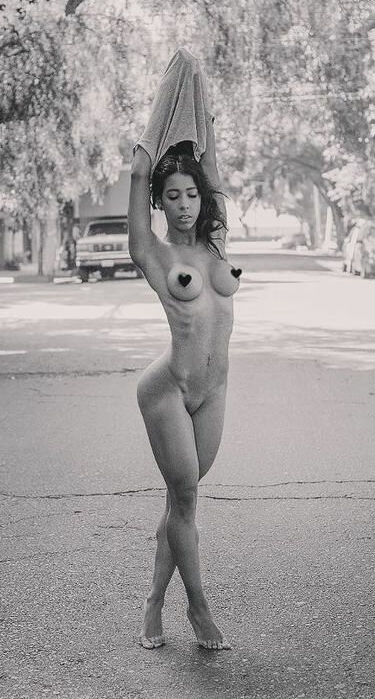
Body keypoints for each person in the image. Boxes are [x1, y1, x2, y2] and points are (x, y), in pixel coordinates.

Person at [128, 113, 242, 651]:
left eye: (191, 194)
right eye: (172, 196)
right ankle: (198, 607)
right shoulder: (154, 253)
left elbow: (212, 164)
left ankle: (152, 601)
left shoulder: (215, 244)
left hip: (214, 389)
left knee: (181, 501)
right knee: (187, 497)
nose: (184, 204)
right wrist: (154, 131)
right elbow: (139, 172)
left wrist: (203, 115)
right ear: (160, 201)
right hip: (168, 389)